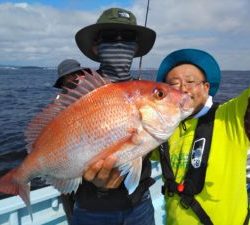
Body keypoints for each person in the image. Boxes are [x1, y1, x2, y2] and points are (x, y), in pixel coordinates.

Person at [71, 7, 157, 225]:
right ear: (96, 46)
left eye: (127, 37)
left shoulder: (149, 94)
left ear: (135, 47)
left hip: (139, 205)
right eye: (110, 37)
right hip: (91, 209)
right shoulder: (77, 96)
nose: (119, 43)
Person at [153, 48, 250, 225]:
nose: (182, 89)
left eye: (190, 82)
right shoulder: (160, 126)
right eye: (173, 84)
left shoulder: (231, 116)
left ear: (206, 88)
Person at [53, 58, 85, 223]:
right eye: (69, 76)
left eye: (77, 74)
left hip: (85, 159)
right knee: (69, 200)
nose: (74, 78)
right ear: (63, 81)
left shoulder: (90, 95)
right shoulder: (59, 103)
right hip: (66, 160)